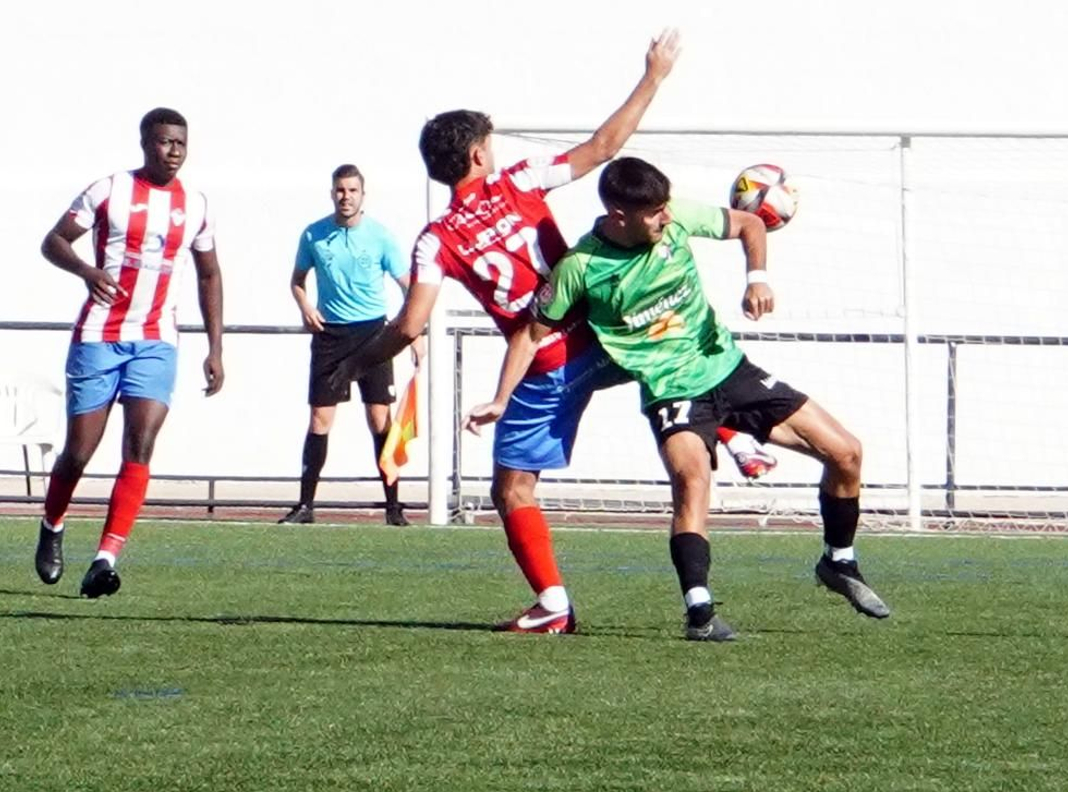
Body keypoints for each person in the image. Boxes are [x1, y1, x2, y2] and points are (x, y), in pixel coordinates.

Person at [326, 31, 775, 634]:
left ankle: (553, 604)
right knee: (671, 358)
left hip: (545, 363)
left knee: (512, 489)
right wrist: (654, 76)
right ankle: (732, 432)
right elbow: (605, 146)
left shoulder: (435, 239)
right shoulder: (521, 180)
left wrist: (355, 364)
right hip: (609, 337)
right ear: (478, 155)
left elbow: (409, 324)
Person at [467, 156, 890, 642]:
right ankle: (700, 612)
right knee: (693, 481)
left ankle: (838, 561)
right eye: (655, 213)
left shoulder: (675, 217)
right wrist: (500, 398)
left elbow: (750, 223)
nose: (666, 218)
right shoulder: (581, 267)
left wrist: (757, 277)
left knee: (846, 452)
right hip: (671, 389)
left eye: (666, 208)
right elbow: (530, 334)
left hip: (729, 369)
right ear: (620, 215)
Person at [33, 107, 224, 598]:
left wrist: (215, 347)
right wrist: (86, 271)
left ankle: (105, 559)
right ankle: (53, 523)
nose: (174, 151)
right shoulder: (110, 190)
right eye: (165, 142)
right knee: (79, 451)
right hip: (100, 336)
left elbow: (209, 274)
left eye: (181, 143)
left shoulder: (196, 205)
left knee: (140, 444)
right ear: (145, 143)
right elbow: (53, 241)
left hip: (156, 340)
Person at [282, 164, 424, 526]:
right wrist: (305, 305)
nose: (346, 197)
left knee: (379, 418)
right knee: (320, 418)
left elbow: (410, 287)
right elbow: (297, 280)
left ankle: (393, 507)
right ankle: (305, 506)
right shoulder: (314, 234)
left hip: (374, 335)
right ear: (332, 193)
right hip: (331, 336)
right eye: (340, 190)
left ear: (363, 195)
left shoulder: (380, 236)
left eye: (352, 190)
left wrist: (414, 333)